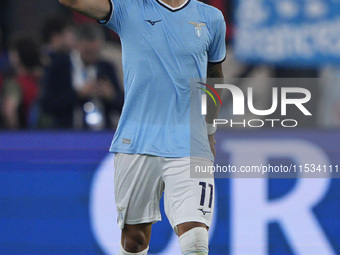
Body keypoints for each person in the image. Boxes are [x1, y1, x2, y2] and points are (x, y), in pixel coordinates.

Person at [59, 0, 226, 254]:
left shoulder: (211, 17)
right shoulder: (129, 8)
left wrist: (210, 130)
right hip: (137, 140)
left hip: (190, 142)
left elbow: (214, 74)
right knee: (134, 240)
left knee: (196, 241)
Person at [39, 23, 123, 129]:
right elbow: (47, 104)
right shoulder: (59, 67)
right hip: (66, 134)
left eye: (96, 52)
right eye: (88, 52)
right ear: (77, 45)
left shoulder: (106, 67)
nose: (92, 57)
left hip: (101, 135)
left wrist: (111, 96)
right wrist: (78, 95)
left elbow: (123, 106)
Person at [1, 34, 42, 129]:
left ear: (16, 57)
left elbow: (10, 110)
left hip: (24, 134)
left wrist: (15, 133)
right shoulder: (42, 78)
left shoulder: (14, 83)